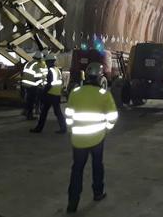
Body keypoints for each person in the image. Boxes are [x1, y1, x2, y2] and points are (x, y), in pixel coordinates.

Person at [65, 62, 118, 213]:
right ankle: (98, 193)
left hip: (78, 140)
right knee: (97, 166)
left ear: (86, 76)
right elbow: (113, 116)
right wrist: (106, 130)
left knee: (77, 170)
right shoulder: (104, 95)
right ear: (100, 77)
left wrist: (71, 131)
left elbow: (69, 115)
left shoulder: (75, 93)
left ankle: (72, 204)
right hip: (97, 139)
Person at [30, 54, 67, 133]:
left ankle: (38, 128)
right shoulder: (57, 69)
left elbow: (49, 84)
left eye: (47, 62)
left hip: (50, 94)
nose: (46, 63)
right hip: (57, 94)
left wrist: (43, 93)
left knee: (44, 112)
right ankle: (63, 128)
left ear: (49, 62)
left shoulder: (51, 70)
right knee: (57, 112)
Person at [21, 51, 47, 120]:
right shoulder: (37, 65)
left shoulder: (28, 63)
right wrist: (41, 84)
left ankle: (25, 111)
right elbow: (38, 77)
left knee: (28, 99)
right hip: (32, 85)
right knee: (31, 101)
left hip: (25, 84)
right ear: (40, 58)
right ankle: (29, 115)